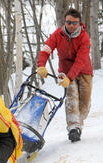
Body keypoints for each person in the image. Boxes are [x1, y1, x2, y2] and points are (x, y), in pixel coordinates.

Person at [37, 8, 93, 143]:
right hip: (65, 71)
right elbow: (46, 49)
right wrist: (41, 65)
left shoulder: (84, 37)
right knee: (71, 97)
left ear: (79, 24)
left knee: (84, 106)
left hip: (83, 71)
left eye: (74, 23)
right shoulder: (58, 34)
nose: (71, 26)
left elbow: (80, 60)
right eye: (69, 22)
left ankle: (78, 122)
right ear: (64, 22)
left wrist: (71, 77)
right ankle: (74, 129)